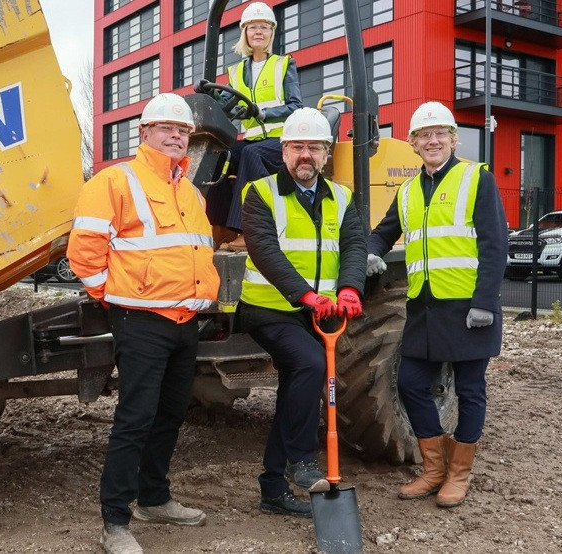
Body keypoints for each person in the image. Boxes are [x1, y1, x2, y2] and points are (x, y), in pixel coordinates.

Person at [67, 93, 220, 554]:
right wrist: (113, 296)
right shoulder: (115, 181)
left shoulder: (190, 192)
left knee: (171, 414)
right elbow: (85, 252)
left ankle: (154, 498)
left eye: (184, 131)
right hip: (141, 321)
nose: (177, 136)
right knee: (135, 419)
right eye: (167, 129)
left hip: (184, 321)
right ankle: (115, 522)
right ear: (145, 133)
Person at [365, 101, 508, 508]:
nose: (432, 141)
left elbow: (495, 245)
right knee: (410, 382)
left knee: (469, 389)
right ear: (412, 143)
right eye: (424, 135)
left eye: (439, 133)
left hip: (467, 308)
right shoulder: (408, 189)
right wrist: (373, 251)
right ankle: (433, 470)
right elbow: (383, 231)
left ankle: (458, 474)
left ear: (452, 138)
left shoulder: (475, 178)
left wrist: (485, 302)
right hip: (425, 308)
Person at [236, 107, 366, 517]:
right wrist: (305, 295)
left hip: (319, 313)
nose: (305, 155)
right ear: (283, 151)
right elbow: (265, 250)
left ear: (327, 154)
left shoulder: (342, 197)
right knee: (311, 365)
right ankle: (300, 460)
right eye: (296, 147)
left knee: (298, 389)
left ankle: (273, 488)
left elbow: (355, 246)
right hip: (269, 308)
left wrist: (349, 287)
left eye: (314, 147)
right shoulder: (260, 192)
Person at [207, 1, 303, 251]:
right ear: (245, 33)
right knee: (220, 155)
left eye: (263, 27)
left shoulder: (284, 65)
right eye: (252, 27)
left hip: (282, 142)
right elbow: (228, 104)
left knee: (250, 154)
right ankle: (220, 226)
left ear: (271, 32)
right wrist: (212, 96)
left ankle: (250, 229)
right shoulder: (236, 71)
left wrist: (264, 112)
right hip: (253, 140)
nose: (258, 32)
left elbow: (295, 106)